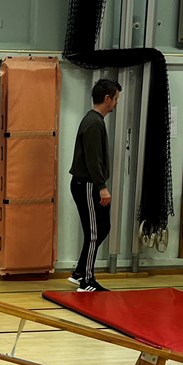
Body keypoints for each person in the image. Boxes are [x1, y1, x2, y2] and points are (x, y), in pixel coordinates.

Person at [68, 78, 120, 293]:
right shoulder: (93, 123)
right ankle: (86, 280)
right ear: (107, 98)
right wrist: (101, 186)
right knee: (94, 233)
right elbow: (92, 159)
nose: (116, 103)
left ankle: (80, 270)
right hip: (87, 185)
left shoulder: (96, 121)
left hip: (90, 184)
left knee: (103, 227)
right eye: (115, 99)